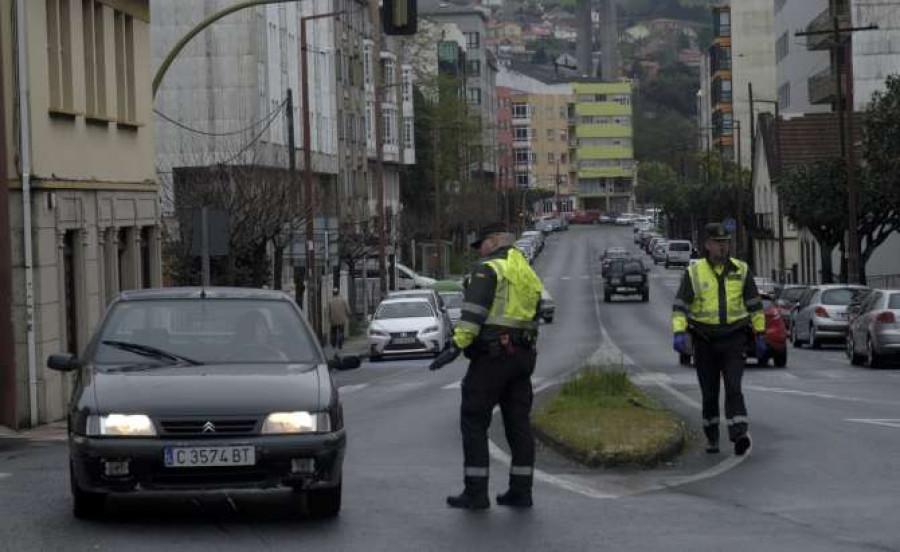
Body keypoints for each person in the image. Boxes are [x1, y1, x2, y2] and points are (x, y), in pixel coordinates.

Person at [429, 223, 544, 510]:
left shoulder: (489, 269)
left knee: (473, 420)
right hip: (522, 356)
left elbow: (473, 315)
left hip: (493, 356)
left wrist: (457, 346)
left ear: (493, 242)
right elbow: (542, 309)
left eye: (480, 244)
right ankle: (521, 491)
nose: (478, 250)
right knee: (518, 424)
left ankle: (476, 493)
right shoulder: (526, 271)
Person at [672, 223, 766, 456]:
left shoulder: (741, 270)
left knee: (734, 387)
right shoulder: (694, 272)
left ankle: (739, 433)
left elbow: (755, 305)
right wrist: (679, 332)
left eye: (726, 243)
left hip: (734, 339)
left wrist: (760, 333)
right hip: (705, 340)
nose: (723, 247)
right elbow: (680, 306)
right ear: (707, 245)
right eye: (718, 243)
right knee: (710, 392)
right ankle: (712, 436)